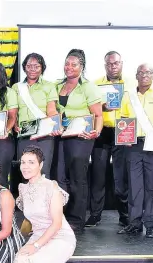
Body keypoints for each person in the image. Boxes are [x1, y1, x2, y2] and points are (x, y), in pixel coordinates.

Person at [119, 63, 153, 238]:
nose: (144, 75)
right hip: (133, 146)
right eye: (140, 73)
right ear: (136, 76)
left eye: (148, 72)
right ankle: (134, 223)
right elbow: (124, 120)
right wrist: (124, 137)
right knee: (135, 186)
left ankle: (151, 224)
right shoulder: (128, 96)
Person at [55, 49, 103, 234]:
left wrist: (95, 133)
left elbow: (98, 114)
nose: (69, 67)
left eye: (74, 64)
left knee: (77, 178)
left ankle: (76, 219)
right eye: (67, 63)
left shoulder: (88, 87)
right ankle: (61, 217)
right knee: (60, 178)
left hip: (81, 138)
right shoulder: (57, 85)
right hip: (60, 136)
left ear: (82, 67)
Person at [15, 145, 76, 263]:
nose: (25, 166)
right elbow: (30, 219)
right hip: (38, 235)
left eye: (31, 162)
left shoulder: (51, 187)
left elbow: (57, 224)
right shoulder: (23, 189)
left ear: (40, 165)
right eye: (23, 162)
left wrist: (35, 246)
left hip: (60, 236)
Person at [90, 51, 134, 228]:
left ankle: (124, 215)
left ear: (122, 63)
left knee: (121, 176)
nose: (112, 66)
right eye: (109, 64)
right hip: (102, 132)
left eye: (116, 63)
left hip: (123, 129)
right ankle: (95, 215)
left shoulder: (132, 83)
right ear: (104, 65)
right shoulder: (95, 84)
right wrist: (101, 108)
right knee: (98, 175)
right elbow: (91, 109)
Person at [13, 53, 59, 180]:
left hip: (44, 134)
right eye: (29, 66)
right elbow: (13, 112)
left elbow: (51, 110)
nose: (32, 69)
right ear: (24, 67)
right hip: (25, 134)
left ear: (42, 68)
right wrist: (15, 123)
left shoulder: (49, 86)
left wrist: (56, 125)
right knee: (26, 172)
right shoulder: (16, 87)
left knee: (43, 172)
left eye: (36, 66)